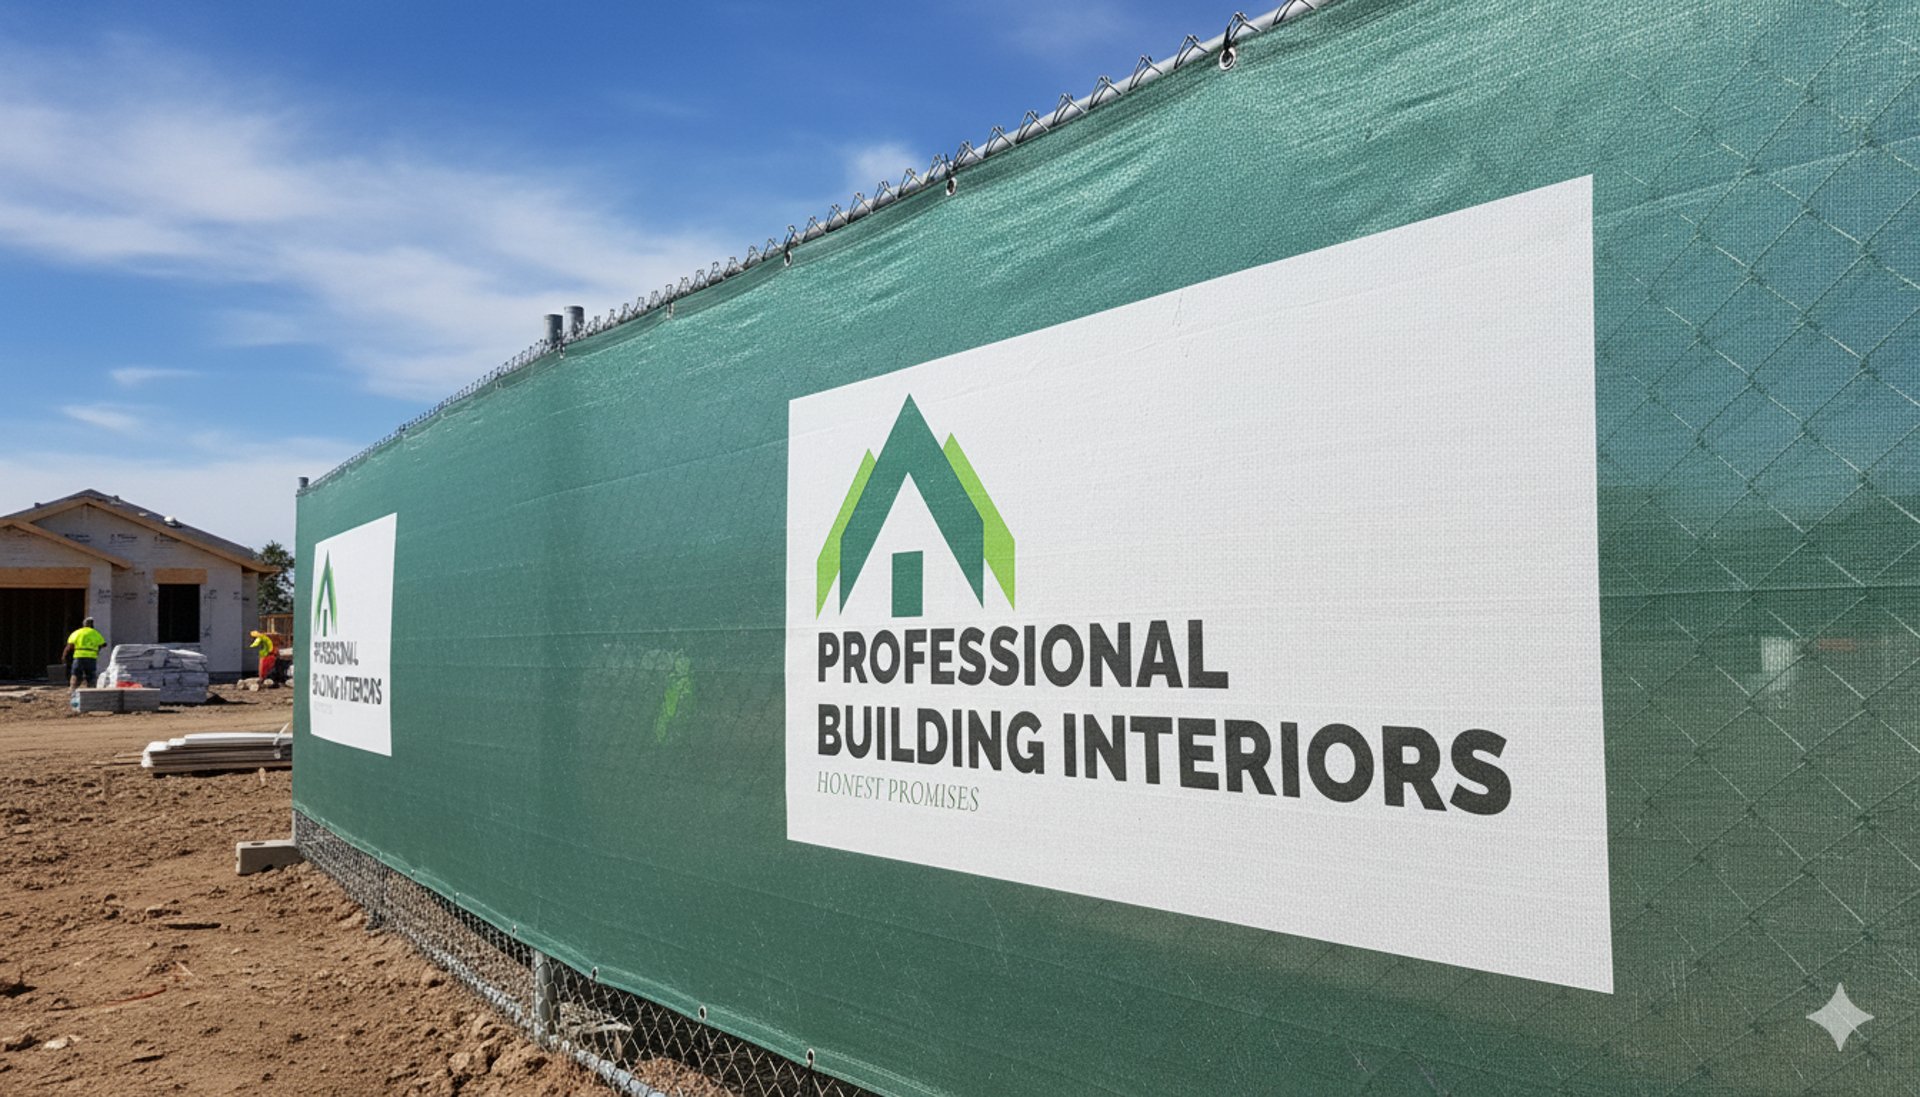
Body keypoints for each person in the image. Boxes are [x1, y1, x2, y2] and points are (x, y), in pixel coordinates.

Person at [62, 617, 107, 692]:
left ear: (83, 625)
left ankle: (73, 689)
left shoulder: (77, 633)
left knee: (75, 674)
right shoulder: (95, 633)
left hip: (79, 657)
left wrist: (64, 656)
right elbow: (104, 644)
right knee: (91, 675)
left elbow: (69, 646)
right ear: (92, 625)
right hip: (91, 658)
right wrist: (97, 649)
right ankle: (91, 690)